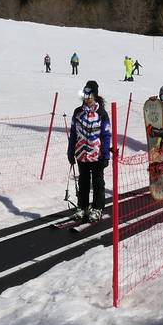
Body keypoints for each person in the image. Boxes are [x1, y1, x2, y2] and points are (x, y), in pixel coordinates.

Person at [67, 80, 111, 222]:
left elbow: (106, 135)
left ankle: (97, 208)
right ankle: (83, 207)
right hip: (81, 154)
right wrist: (70, 151)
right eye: (86, 95)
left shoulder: (102, 113)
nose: (88, 99)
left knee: (98, 182)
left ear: (95, 96)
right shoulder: (78, 112)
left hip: (97, 154)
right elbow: (73, 133)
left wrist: (105, 154)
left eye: (91, 96)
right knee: (83, 181)